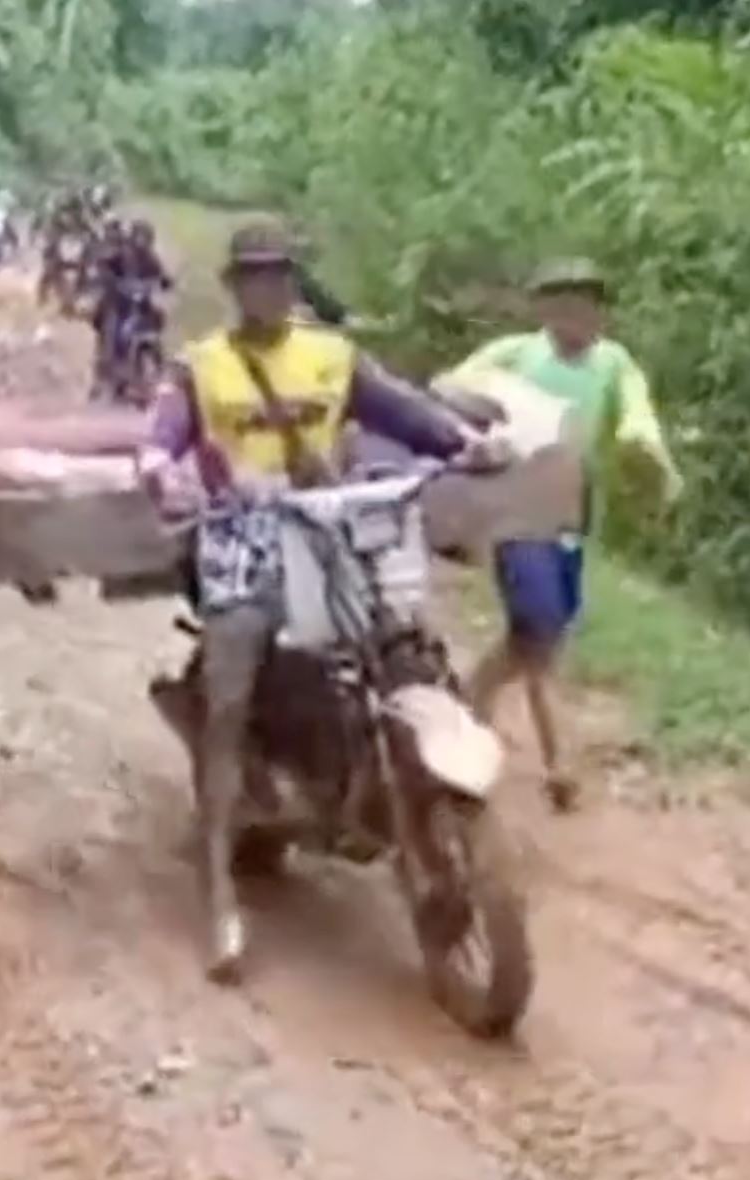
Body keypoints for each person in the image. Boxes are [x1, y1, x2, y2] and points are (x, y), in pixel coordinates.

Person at [139, 219, 504, 981]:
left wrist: (467, 446)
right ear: (234, 286)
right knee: (230, 693)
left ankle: (389, 777)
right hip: (242, 544)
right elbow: (162, 434)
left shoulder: (335, 357)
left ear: (293, 282)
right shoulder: (200, 365)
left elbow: (410, 415)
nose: (266, 289)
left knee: (410, 648)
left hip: (332, 535)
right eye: (253, 277)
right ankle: (217, 894)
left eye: (279, 275)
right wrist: (161, 469)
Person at [440, 257, 683, 812]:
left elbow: (638, 419)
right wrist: (486, 420)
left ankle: (462, 711)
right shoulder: (515, 355)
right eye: (564, 304)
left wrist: (655, 463)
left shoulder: (612, 363)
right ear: (544, 310)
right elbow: (450, 387)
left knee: (536, 636)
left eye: (589, 305)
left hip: (571, 509)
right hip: (514, 506)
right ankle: (559, 766)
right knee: (542, 630)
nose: (577, 316)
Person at [92, 217, 171, 391]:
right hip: (117, 302)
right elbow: (104, 264)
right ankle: (108, 369)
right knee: (113, 328)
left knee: (157, 319)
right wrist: (110, 278)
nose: (143, 241)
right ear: (132, 237)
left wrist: (165, 282)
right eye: (139, 236)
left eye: (146, 237)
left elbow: (161, 275)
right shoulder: (121, 253)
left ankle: (160, 367)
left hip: (140, 302)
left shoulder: (151, 257)